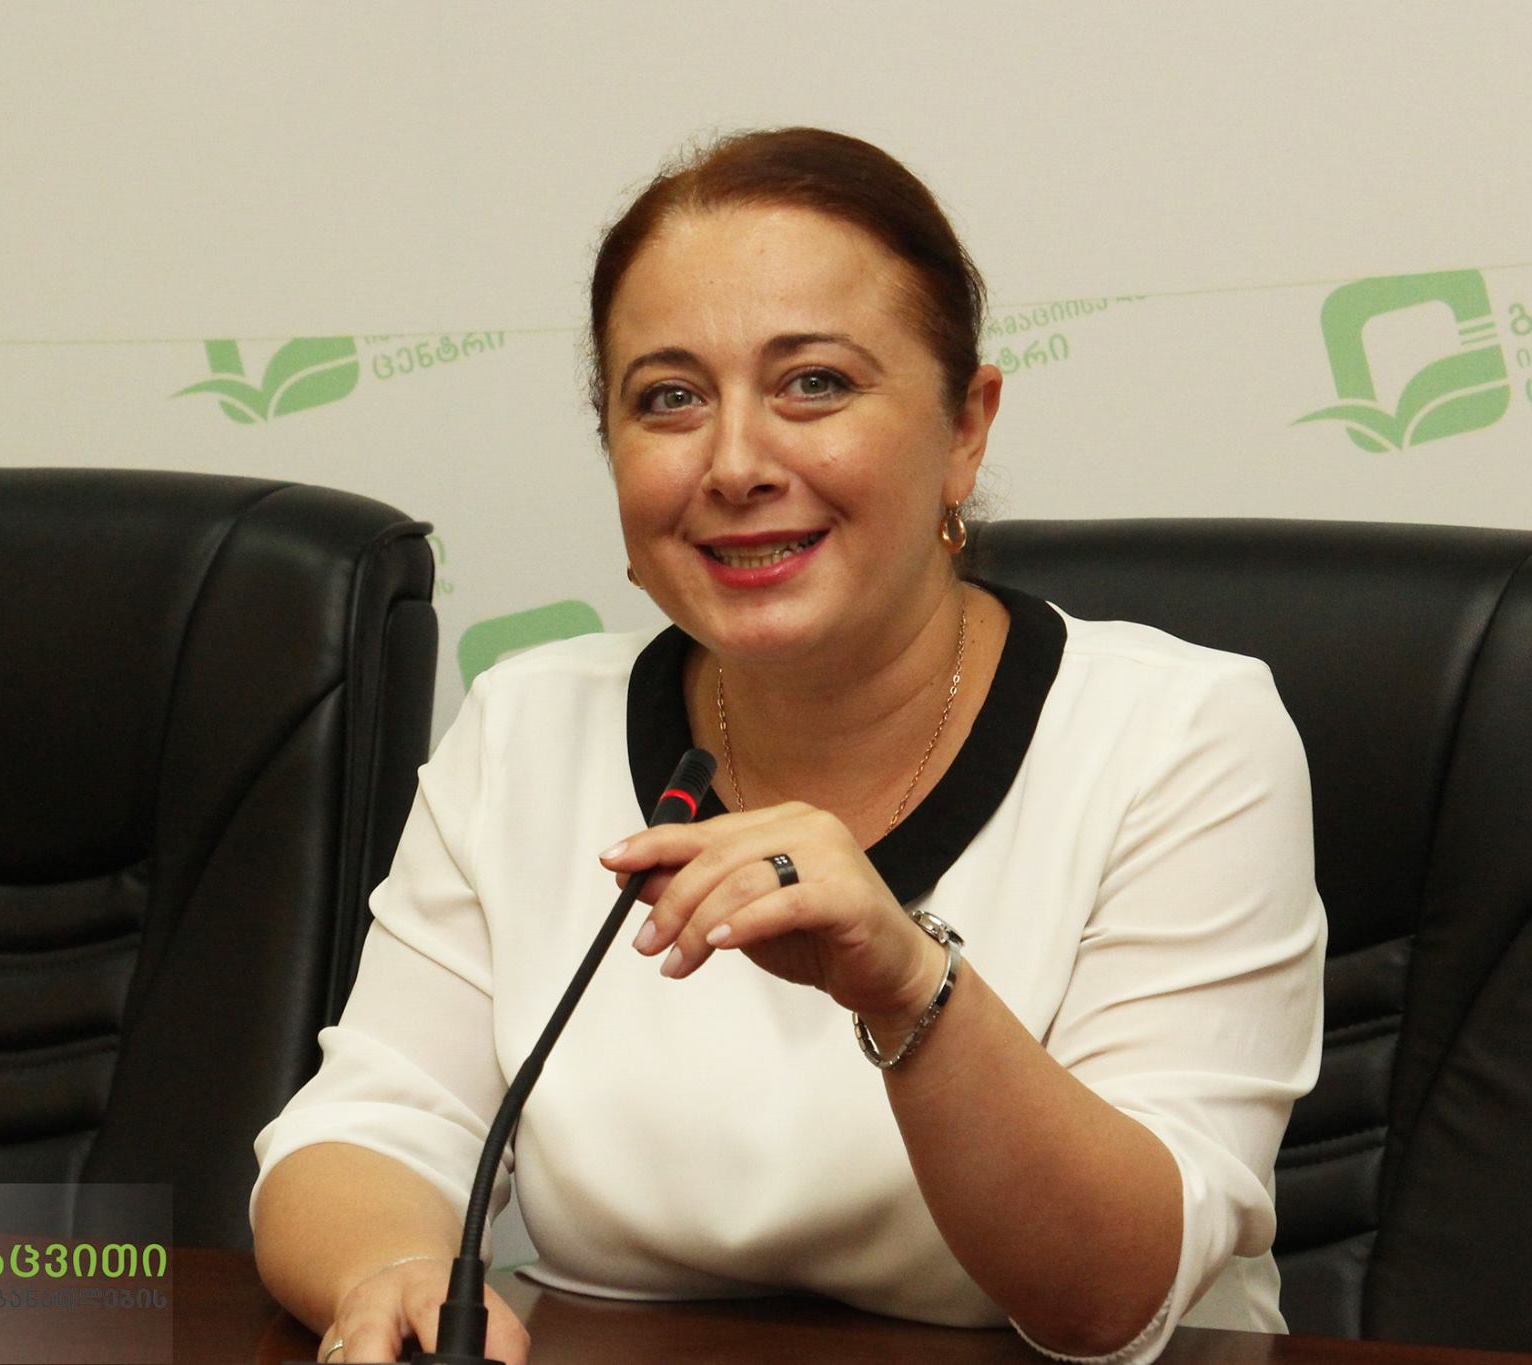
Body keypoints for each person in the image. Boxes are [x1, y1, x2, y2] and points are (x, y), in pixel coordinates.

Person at [250, 127, 1326, 1365]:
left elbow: (1112, 1294)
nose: (735, 465)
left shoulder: (1178, 736)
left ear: (963, 430)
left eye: (812, 384)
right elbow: (368, 1128)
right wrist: (385, 1269)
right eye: (667, 399)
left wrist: (905, 986)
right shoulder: (527, 724)